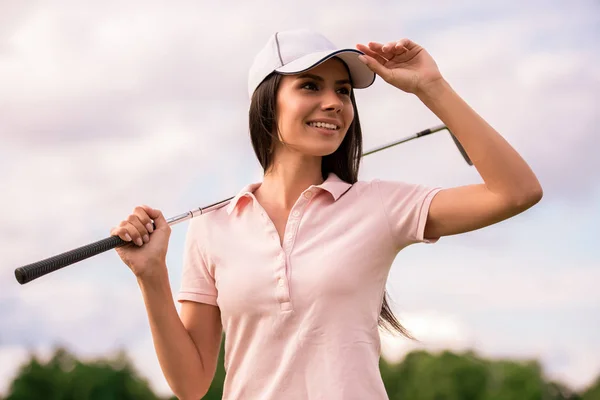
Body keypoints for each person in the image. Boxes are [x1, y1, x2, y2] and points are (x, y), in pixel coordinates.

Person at [111, 29, 543, 399]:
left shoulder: (379, 205)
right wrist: (151, 277)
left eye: (343, 90)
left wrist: (432, 87)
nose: (335, 102)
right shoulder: (212, 225)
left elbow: (516, 192)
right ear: (267, 102)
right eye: (311, 86)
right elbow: (191, 384)